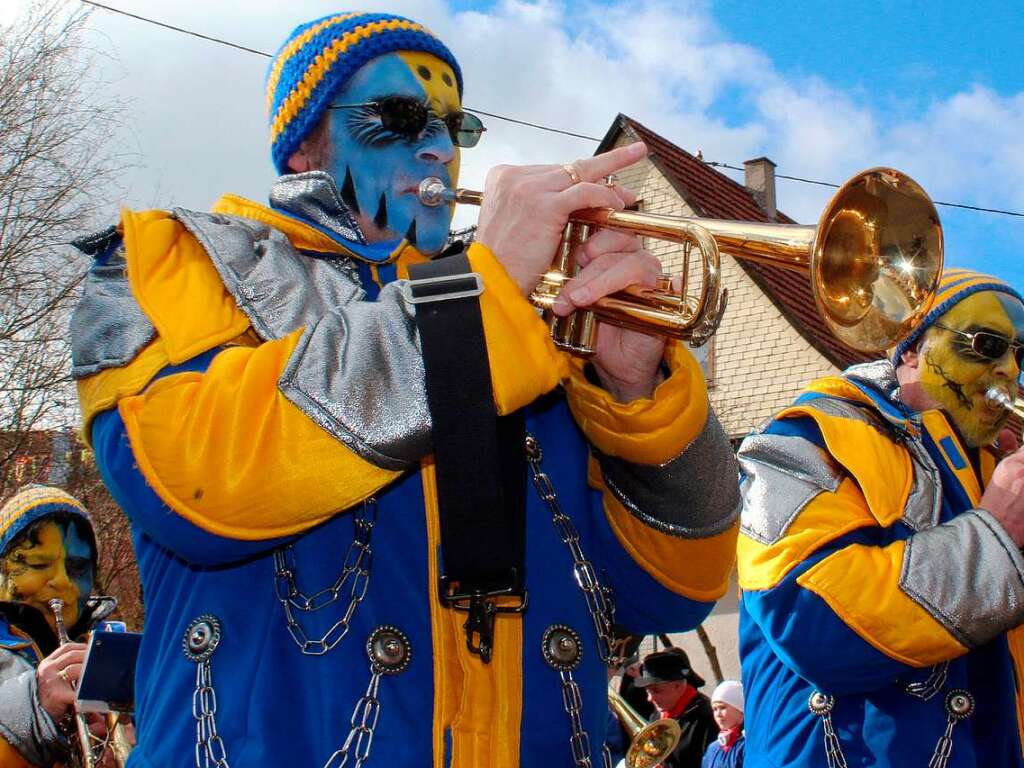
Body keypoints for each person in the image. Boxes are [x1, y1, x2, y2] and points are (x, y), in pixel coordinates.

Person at [69, 12, 741, 767]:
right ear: (302, 139)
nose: (437, 146)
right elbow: (195, 480)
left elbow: (678, 593)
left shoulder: (528, 321)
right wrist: (475, 303)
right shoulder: (173, 260)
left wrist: (636, 391)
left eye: (456, 126)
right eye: (398, 116)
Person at [737, 268, 1024, 766]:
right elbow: (811, 620)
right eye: (984, 344)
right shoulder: (805, 435)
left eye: (1021, 355)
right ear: (910, 349)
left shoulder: (991, 467)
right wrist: (994, 535)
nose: (1009, 371)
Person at [0, 485, 102, 767]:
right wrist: (33, 708)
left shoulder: (110, 650)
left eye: (78, 568)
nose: (63, 581)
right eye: (38, 563)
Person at [633, 649, 716, 768]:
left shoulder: (707, 716)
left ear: (678, 685)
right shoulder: (656, 716)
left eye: (656, 691)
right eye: (647, 691)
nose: (649, 698)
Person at [701, 680, 744, 768]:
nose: (718, 714)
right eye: (715, 709)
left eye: (722, 707)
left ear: (740, 709)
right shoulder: (713, 749)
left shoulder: (749, 744)